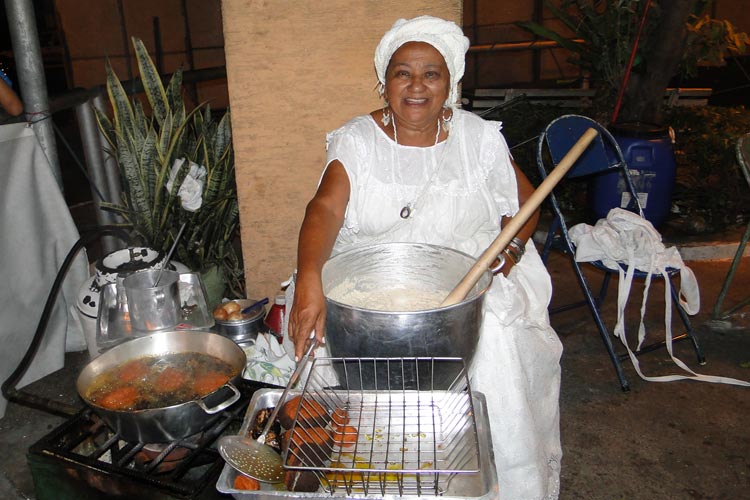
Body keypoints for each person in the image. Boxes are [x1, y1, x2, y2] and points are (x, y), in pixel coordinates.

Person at [289, 15, 562, 500]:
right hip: (369, 277)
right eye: (402, 72)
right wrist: (309, 277)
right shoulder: (357, 140)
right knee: (359, 358)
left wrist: (513, 246)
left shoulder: (478, 138)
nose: (416, 86)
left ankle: (497, 483)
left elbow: (524, 204)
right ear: (384, 81)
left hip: (470, 272)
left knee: (493, 340)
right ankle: (380, 479)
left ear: (449, 84)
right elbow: (325, 208)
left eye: (431, 73)